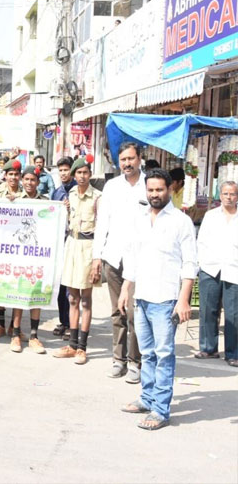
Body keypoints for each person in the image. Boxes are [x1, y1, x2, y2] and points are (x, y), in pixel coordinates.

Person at [119, 169, 197, 430]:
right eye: (150, 190)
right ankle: (147, 397)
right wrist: (125, 289)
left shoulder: (180, 221)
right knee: (147, 353)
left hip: (165, 299)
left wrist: (183, 300)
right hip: (141, 298)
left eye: (159, 190)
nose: (154, 194)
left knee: (164, 355)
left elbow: (190, 263)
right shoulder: (140, 219)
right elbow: (132, 257)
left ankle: (161, 410)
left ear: (170, 190)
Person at [92, 142, 146, 383]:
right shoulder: (112, 187)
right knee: (117, 312)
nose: (127, 163)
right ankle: (118, 359)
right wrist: (97, 256)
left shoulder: (150, 186)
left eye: (131, 159)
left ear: (140, 159)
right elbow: (102, 223)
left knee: (134, 312)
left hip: (141, 260)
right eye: (123, 160)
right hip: (113, 257)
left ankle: (136, 361)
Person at [53, 156, 101, 365]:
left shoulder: (98, 197)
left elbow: (102, 228)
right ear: (74, 175)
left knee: (86, 300)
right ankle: (72, 344)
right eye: (78, 173)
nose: (82, 176)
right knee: (72, 298)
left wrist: (97, 259)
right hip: (71, 246)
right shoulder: (69, 195)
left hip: (89, 248)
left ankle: (82, 347)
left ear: (90, 174)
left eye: (85, 172)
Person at [195, 181, 238, 367]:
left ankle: (233, 353)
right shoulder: (211, 216)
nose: (229, 197)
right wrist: (202, 264)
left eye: (233, 194)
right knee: (208, 310)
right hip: (210, 267)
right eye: (226, 193)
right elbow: (201, 241)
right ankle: (208, 348)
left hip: (234, 269)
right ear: (220, 195)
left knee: (233, 313)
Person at [7, 165, 47, 354]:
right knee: (19, 293)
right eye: (27, 179)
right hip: (19, 257)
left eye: (33, 180)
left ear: (38, 182)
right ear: (22, 181)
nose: (29, 183)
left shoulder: (46, 203)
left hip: (38, 257)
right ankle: (15, 334)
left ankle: (33, 335)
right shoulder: (15, 201)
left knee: (35, 294)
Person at [0, 159, 23, 339]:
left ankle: (14, 326)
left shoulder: (26, 194)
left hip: (19, 247)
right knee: (1, 285)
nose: (13, 177)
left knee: (17, 286)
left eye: (16, 174)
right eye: (10, 174)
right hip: (1, 246)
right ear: (5, 175)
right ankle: (0, 324)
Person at [51, 157, 77, 339]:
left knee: (71, 288)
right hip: (59, 243)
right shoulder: (56, 193)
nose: (63, 173)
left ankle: (72, 324)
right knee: (60, 287)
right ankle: (63, 321)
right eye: (60, 170)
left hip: (75, 243)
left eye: (66, 170)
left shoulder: (77, 191)